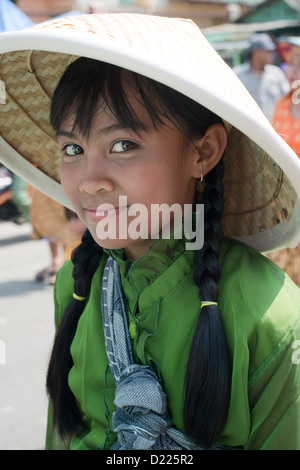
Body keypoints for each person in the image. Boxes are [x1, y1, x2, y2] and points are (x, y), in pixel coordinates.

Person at [0, 13, 299, 451]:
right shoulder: (75, 286)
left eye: (123, 145)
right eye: (72, 149)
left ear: (204, 151)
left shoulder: (271, 320)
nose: (88, 179)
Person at [265, 37, 300, 287]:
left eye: (298, 65)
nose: (291, 71)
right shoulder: (281, 104)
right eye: (291, 64)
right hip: (284, 203)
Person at [233, 33, 289, 120]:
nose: (272, 54)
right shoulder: (237, 76)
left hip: (276, 129)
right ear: (256, 52)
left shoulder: (276, 74)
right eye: (268, 51)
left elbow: (287, 100)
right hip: (248, 130)